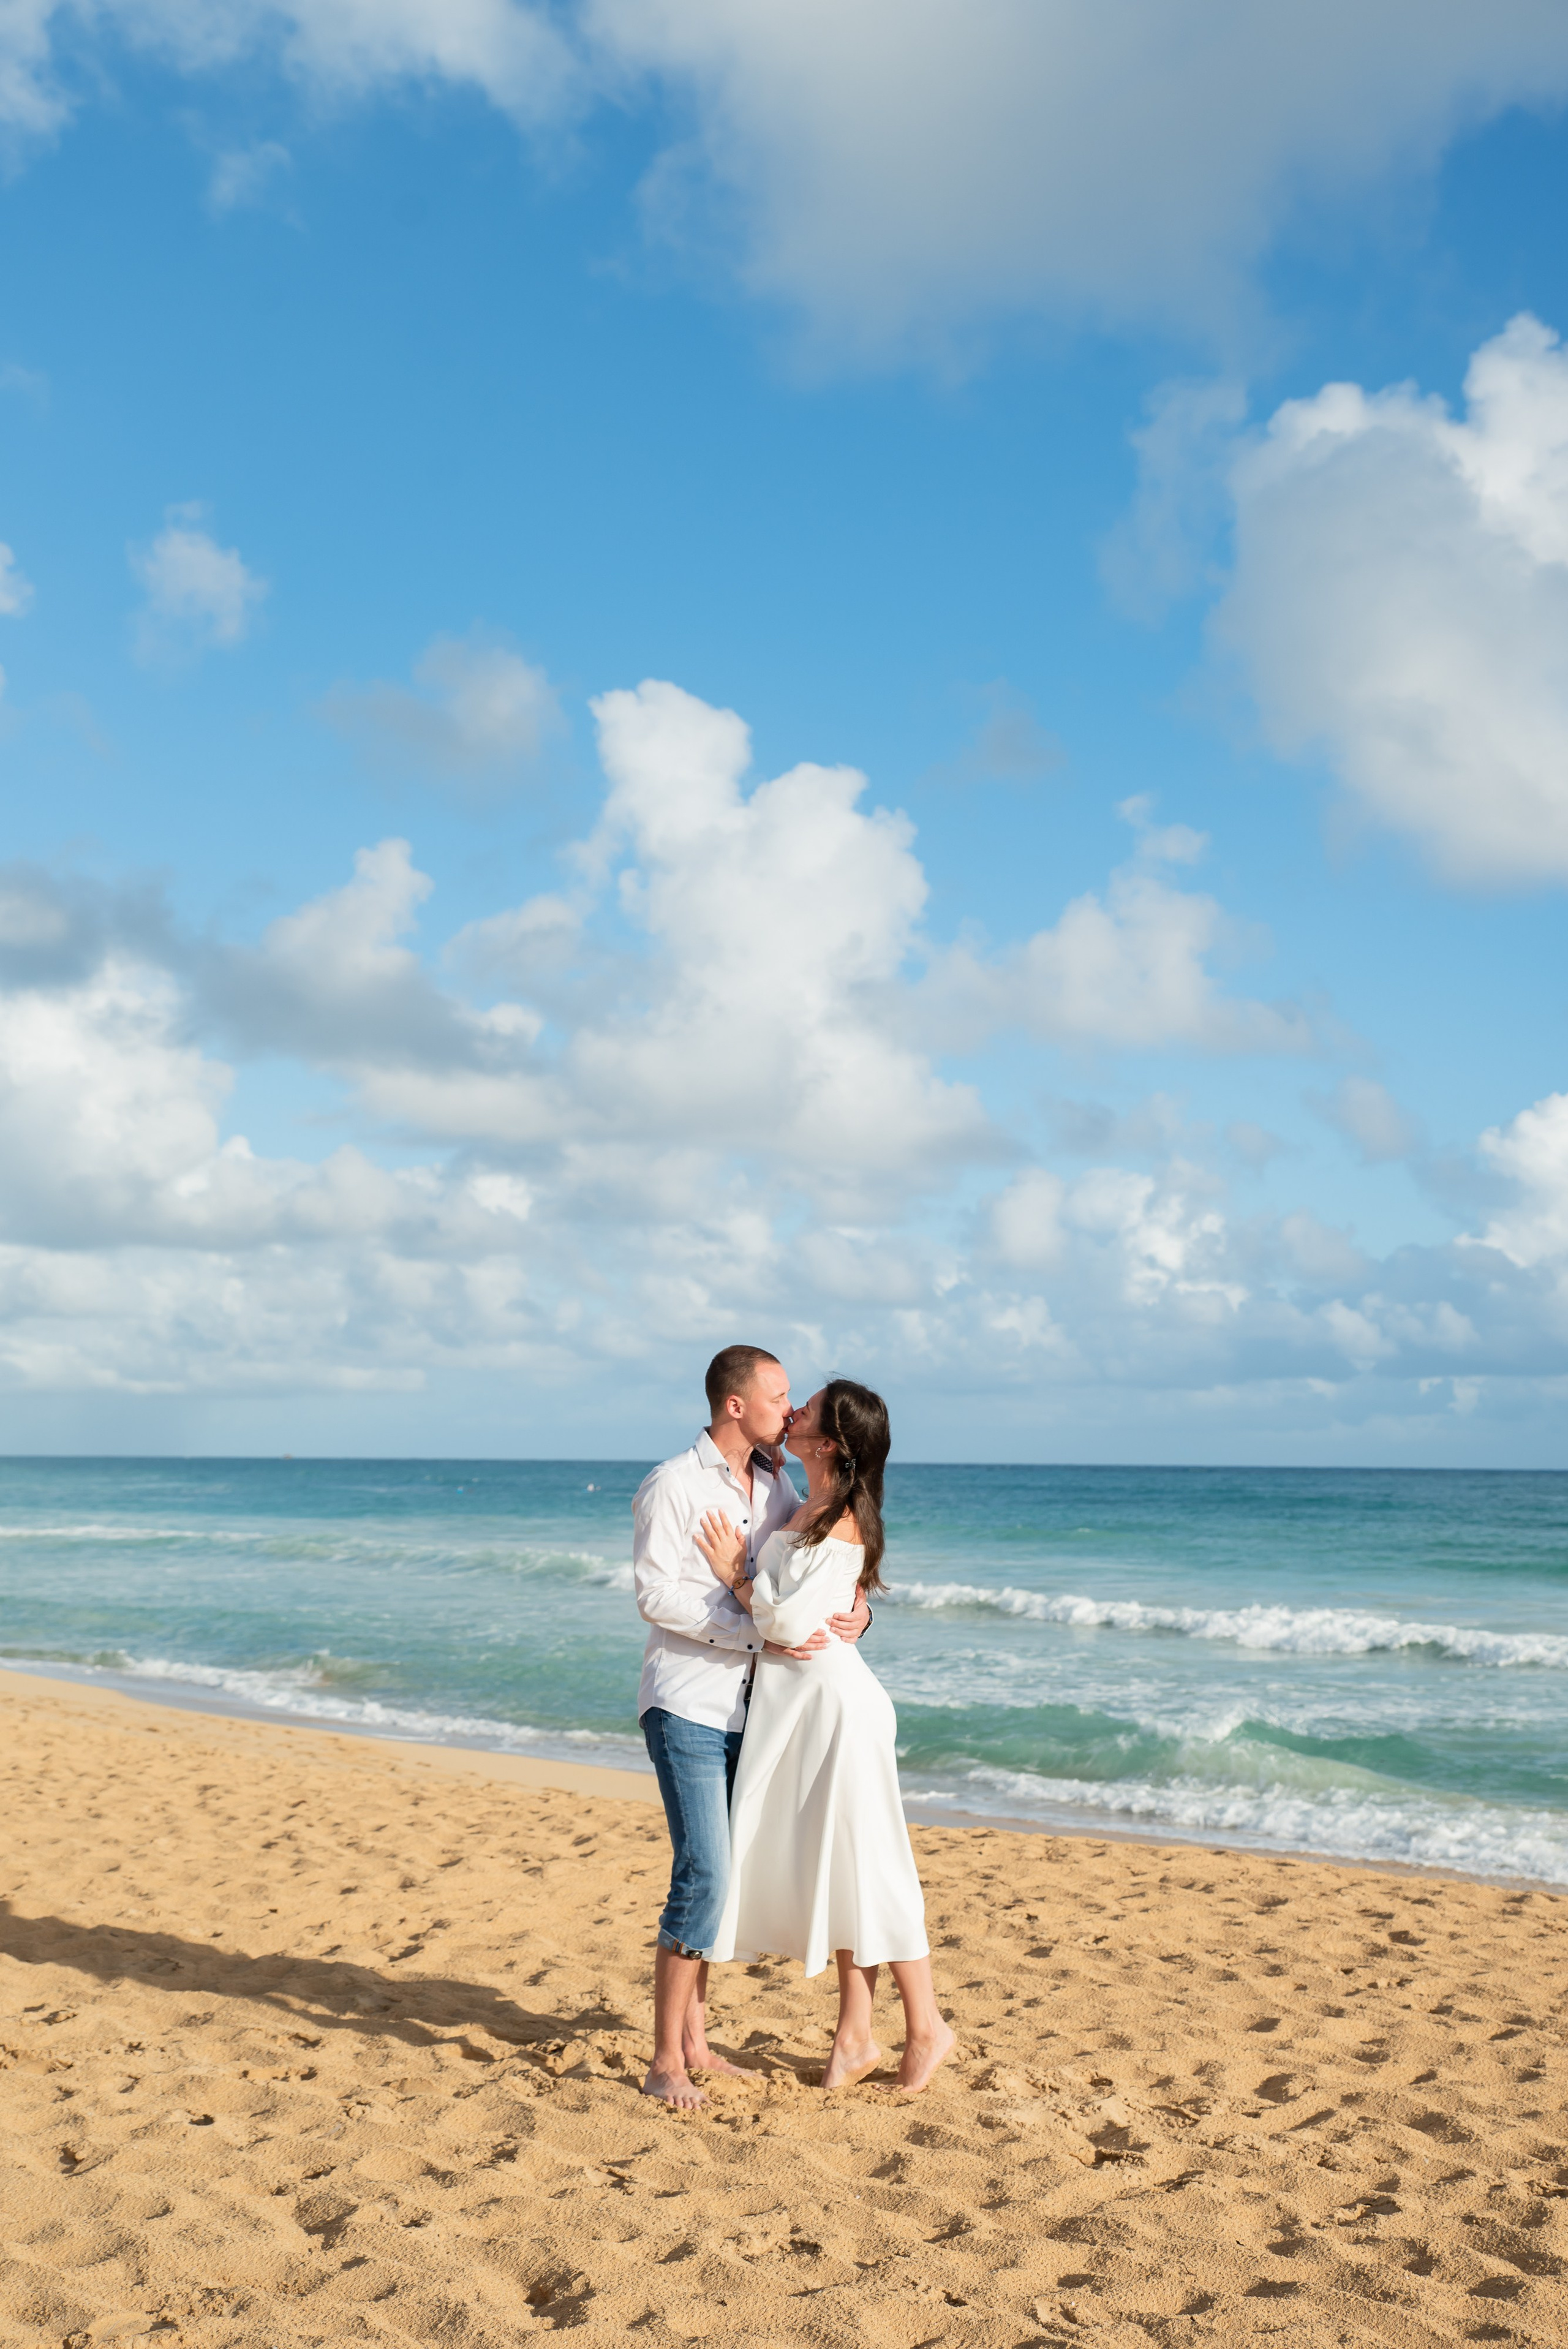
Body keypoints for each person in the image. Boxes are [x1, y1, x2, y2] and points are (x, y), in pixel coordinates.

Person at [696, 1379, 955, 2095]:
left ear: (831, 1442)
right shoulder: (802, 1501)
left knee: (874, 1866)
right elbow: (810, 1604)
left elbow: (785, 1622)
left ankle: (927, 2026)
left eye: (804, 1408)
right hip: (805, 1707)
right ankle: (855, 2036)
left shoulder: (840, 1517)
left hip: (838, 1709)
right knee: (845, 1871)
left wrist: (736, 1576)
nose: (792, 1412)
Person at [633, 1344, 870, 2109]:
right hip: (688, 1704)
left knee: (720, 1879)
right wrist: (753, 1631)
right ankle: (665, 2060)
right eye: (778, 1395)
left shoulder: (778, 1484)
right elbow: (655, 1595)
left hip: (757, 1711)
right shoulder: (673, 1483)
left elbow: (808, 1572)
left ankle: (697, 2044)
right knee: (704, 1874)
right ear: (736, 1405)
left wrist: (859, 1608)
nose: (790, 1409)